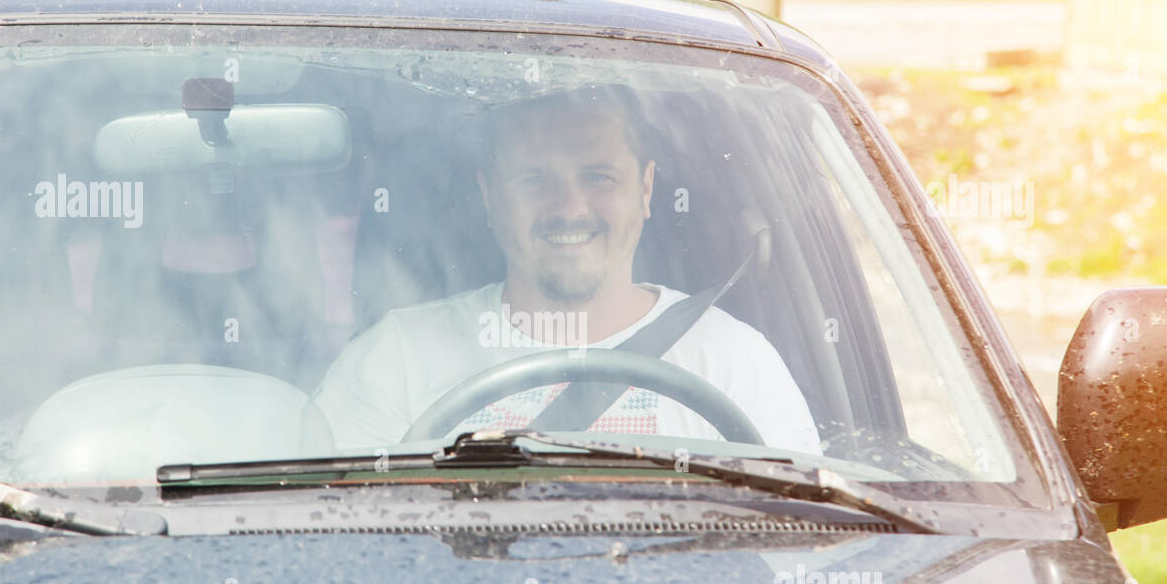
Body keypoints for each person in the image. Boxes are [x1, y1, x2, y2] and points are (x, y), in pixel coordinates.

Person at [311, 86, 822, 455]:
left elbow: (797, 552)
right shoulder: (395, 358)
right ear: (490, 198)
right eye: (536, 180)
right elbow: (336, 548)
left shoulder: (734, 362)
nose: (571, 207)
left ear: (644, 191)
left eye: (598, 177)